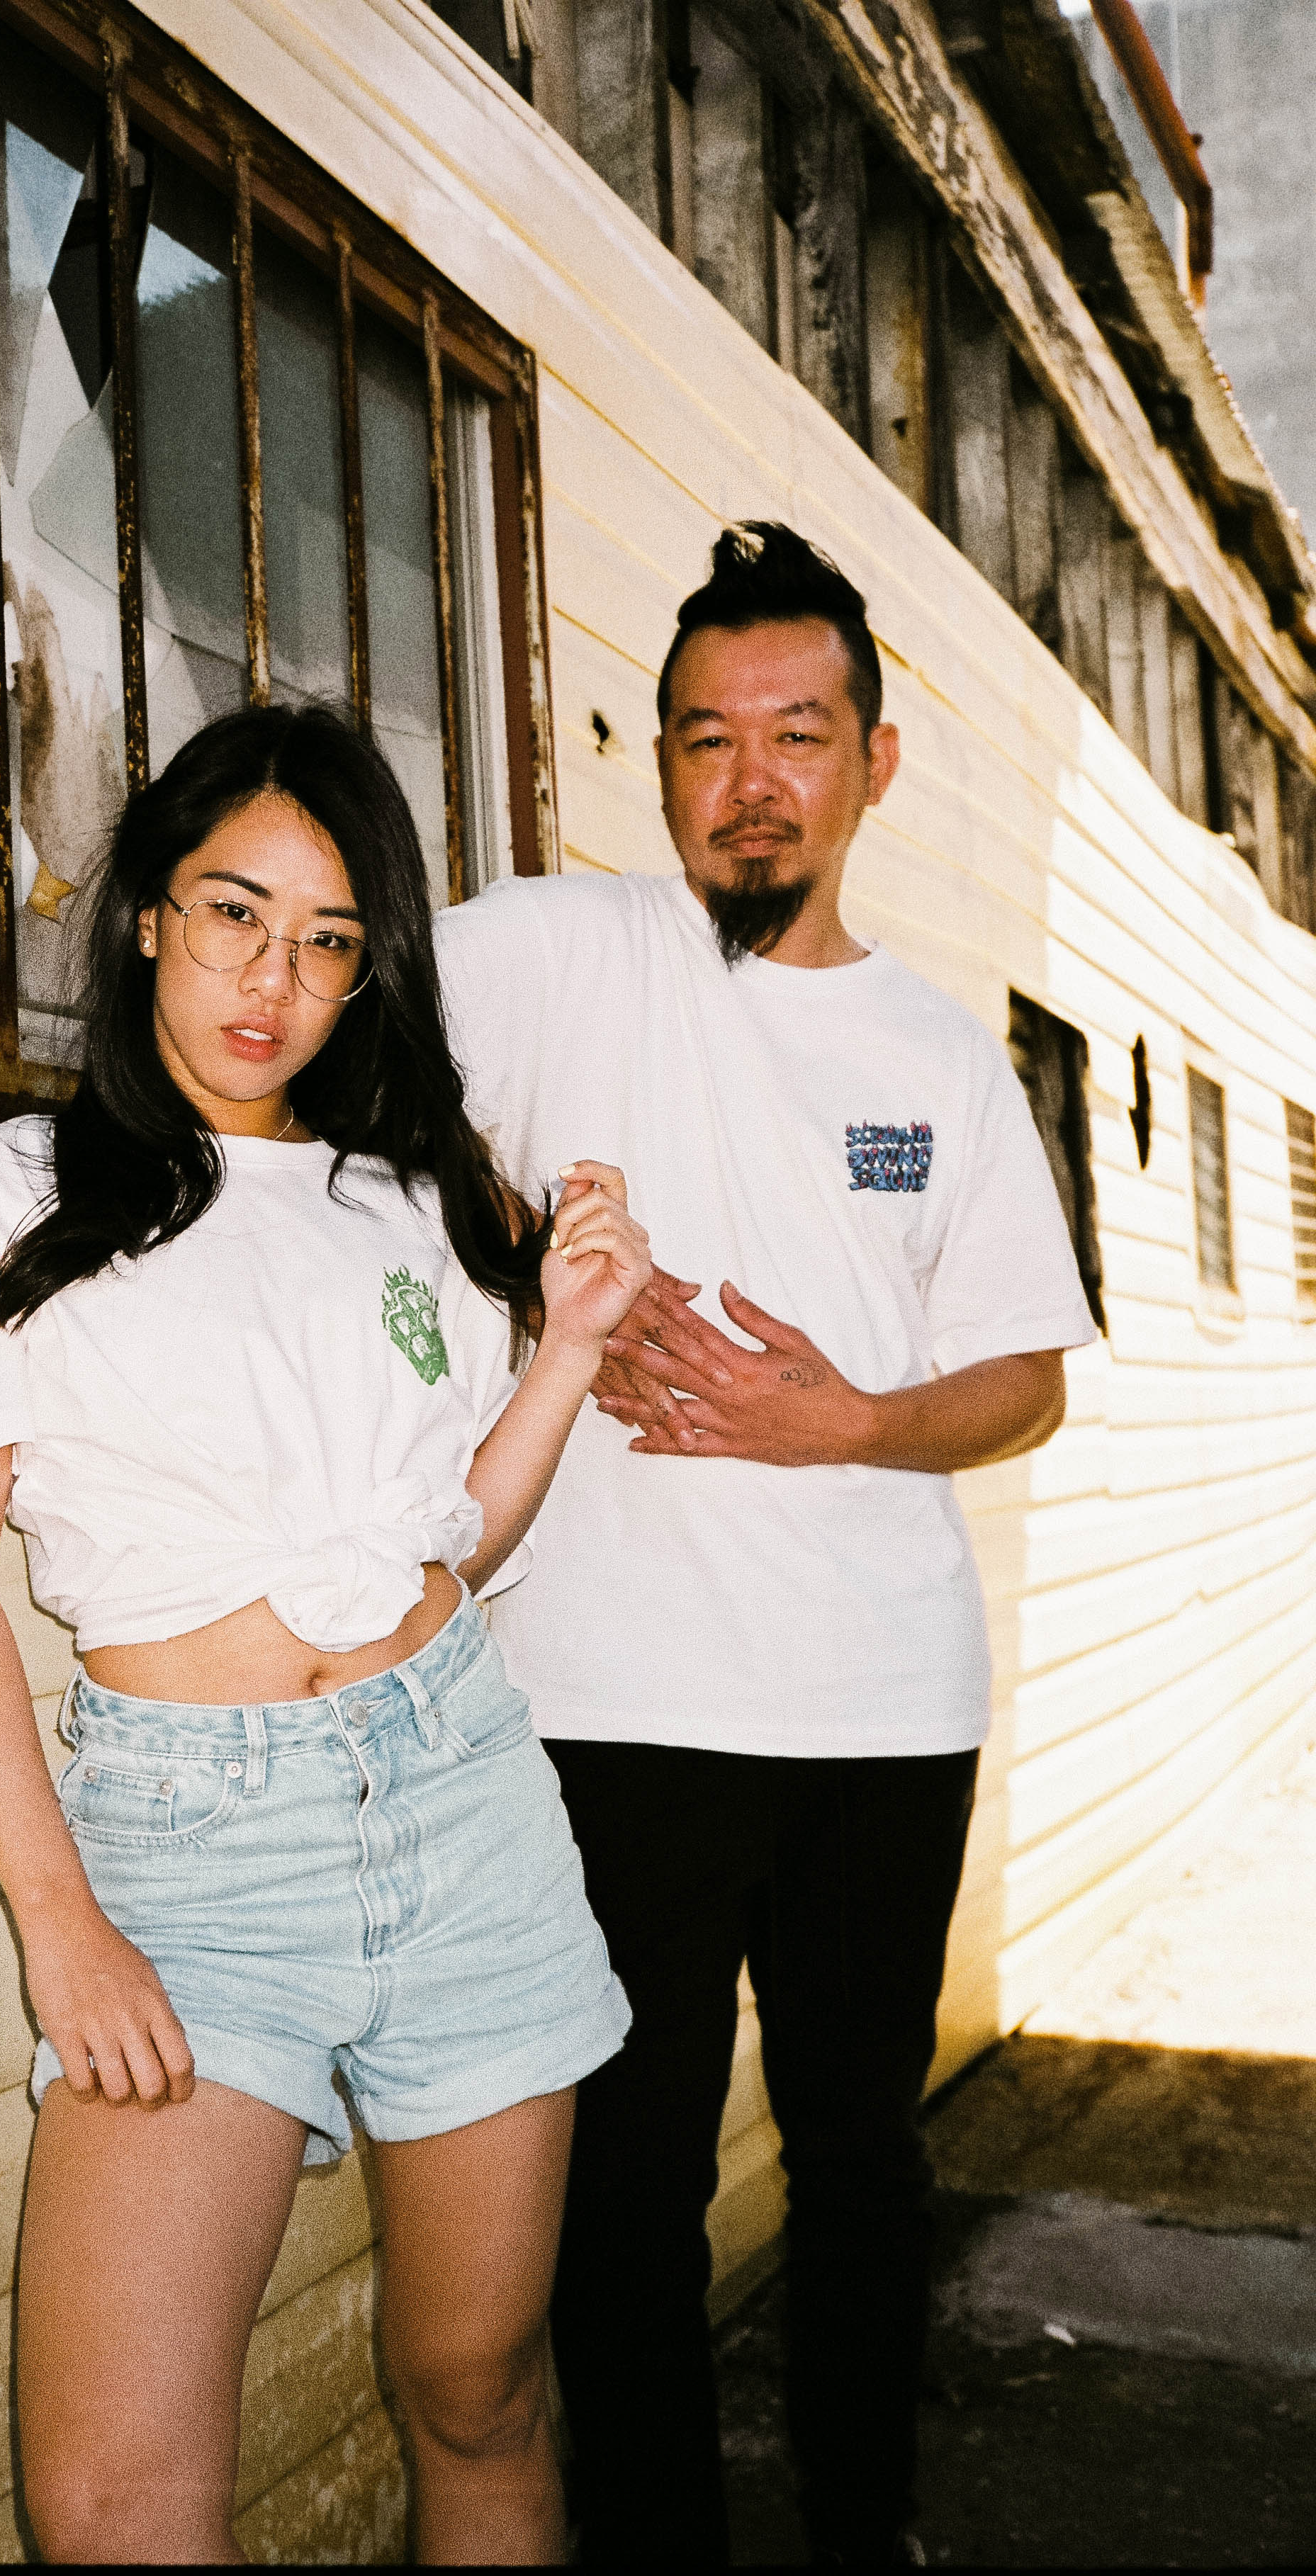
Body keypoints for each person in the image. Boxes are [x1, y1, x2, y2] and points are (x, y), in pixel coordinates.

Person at [0, 705, 649, 2565]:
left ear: (371, 969)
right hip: (194, 1859)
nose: (270, 983)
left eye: (327, 940)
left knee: (480, 2387)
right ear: (148, 909)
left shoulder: (408, 1198)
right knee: (117, 2504)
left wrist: (573, 1349)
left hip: (466, 1806)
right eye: (233, 914)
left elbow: (452, 1544)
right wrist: (62, 1926)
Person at [434, 523, 1099, 2565]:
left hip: (882, 1711)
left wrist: (847, 1421)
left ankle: (863, 2527)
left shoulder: (940, 1059)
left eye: (798, 734)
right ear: (656, 762)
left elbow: (1025, 1376)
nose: (750, 780)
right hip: (611, 1701)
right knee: (625, 2187)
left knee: (863, 2163)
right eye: (707, 737)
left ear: (873, 764)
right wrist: (512, 1245)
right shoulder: (556, 954)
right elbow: (326, 1037)